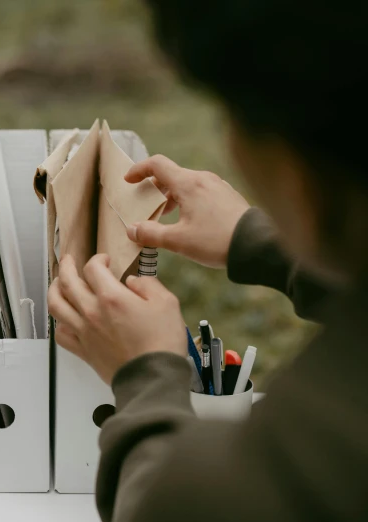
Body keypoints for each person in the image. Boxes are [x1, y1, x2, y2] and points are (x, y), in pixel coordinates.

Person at [47, 1, 368, 520]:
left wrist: (146, 372)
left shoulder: (304, 458)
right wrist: (258, 241)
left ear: (294, 175)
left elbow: (174, 502)